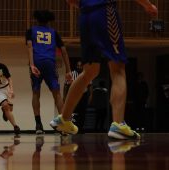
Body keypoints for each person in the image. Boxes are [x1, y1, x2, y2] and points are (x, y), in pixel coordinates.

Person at [50, 0, 157, 139]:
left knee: (89, 72)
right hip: (105, 11)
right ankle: (118, 124)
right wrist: (148, 5)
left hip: (85, 17)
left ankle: (64, 119)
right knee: (118, 68)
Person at [26, 10, 72, 134]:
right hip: (50, 63)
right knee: (57, 94)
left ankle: (38, 125)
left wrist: (31, 65)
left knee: (36, 92)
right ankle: (64, 125)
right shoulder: (54, 32)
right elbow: (64, 51)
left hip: (36, 62)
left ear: (36, 19)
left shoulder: (31, 30)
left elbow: (30, 47)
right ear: (49, 21)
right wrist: (68, 70)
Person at [64, 61, 93, 132]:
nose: (79, 67)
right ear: (76, 66)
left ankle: (81, 128)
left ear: (83, 66)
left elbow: (90, 87)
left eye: (80, 66)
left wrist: (90, 96)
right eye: (78, 66)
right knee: (73, 112)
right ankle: (73, 128)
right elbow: (66, 86)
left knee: (82, 112)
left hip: (84, 95)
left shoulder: (87, 74)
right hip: (74, 95)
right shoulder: (72, 74)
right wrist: (64, 97)